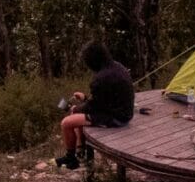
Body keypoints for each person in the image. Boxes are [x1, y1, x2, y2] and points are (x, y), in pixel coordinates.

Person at [56, 41, 138, 169]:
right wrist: (85, 98)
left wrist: (76, 108)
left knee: (66, 123)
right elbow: (104, 100)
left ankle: (71, 158)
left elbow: (94, 107)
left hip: (116, 118)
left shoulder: (101, 78)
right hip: (124, 113)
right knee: (77, 114)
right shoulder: (117, 66)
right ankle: (80, 151)